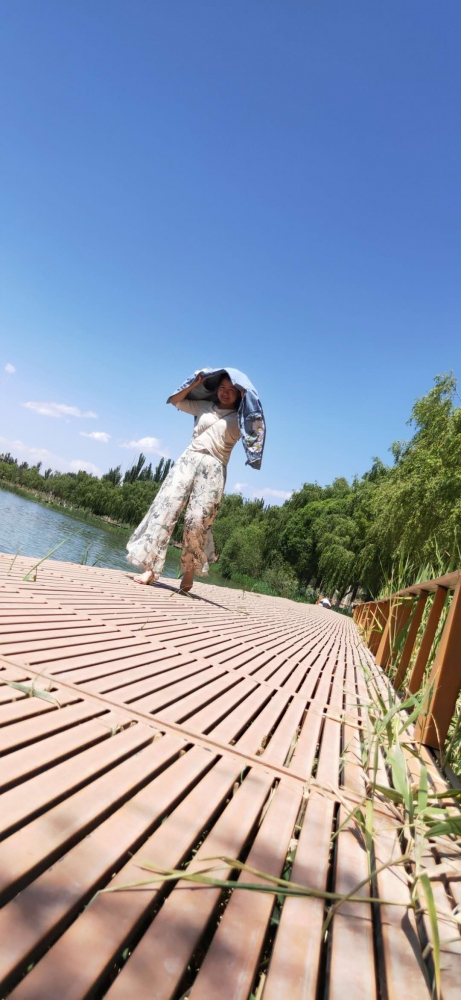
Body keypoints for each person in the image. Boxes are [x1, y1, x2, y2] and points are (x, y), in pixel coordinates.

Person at [126, 372, 243, 593]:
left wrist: (247, 402)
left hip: (214, 468)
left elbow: (255, 433)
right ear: (217, 388)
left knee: (197, 520)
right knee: (167, 509)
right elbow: (175, 401)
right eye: (222, 387)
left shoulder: (241, 419)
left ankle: (189, 571)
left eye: (232, 390)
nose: (226, 393)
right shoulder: (204, 406)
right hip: (188, 460)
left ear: (239, 395)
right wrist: (193, 384)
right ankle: (151, 569)